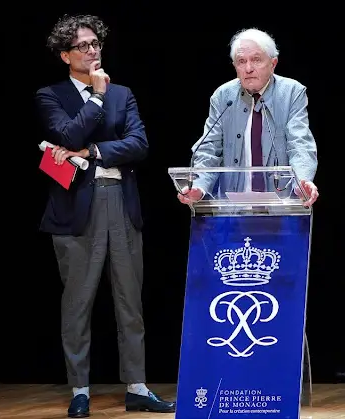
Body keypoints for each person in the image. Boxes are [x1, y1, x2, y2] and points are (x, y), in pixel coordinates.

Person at [35, 14, 175, 417]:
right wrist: (95, 98)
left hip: (121, 202)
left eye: (96, 43)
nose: (93, 50)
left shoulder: (124, 93)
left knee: (130, 300)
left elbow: (139, 144)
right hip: (77, 209)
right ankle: (80, 390)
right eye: (82, 46)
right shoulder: (51, 95)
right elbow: (67, 136)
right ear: (65, 55)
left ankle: (137, 386)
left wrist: (94, 152)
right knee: (78, 303)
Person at [177, 28, 319, 207]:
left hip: (281, 207)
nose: (249, 68)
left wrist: (303, 180)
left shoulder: (291, 93)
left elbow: (300, 143)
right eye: (241, 61)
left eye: (256, 60)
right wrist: (199, 186)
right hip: (233, 208)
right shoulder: (222, 96)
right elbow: (209, 149)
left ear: (273, 63)